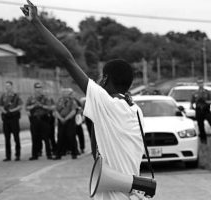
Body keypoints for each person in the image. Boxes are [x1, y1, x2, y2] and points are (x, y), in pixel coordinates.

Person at [21, 2, 145, 199]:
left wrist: (37, 22)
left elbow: (67, 60)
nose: (96, 81)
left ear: (105, 79)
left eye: (99, 77)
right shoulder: (135, 110)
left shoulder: (108, 104)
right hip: (132, 192)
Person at [26, 82, 54, 160]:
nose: (38, 89)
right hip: (34, 120)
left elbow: (49, 107)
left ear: (41, 89)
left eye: (39, 87)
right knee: (34, 138)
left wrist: (41, 105)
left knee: (46, 138)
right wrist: (33, 106)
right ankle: (34, 155)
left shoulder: (45, 98)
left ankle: (49, 154)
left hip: (44, 119)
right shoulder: (31, 98)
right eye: (36, 87)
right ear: (34, 89)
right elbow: (27, 107)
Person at [0, 81, 23, 161]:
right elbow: (0, 105)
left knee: (16, 137)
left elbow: (20, 106)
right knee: (7, 138)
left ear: (12, 87)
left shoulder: (16, 96)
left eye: (9, 86)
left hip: (14, 117)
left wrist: (12, 110)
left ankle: (17, 155)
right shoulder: (3, 96)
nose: (7, 87)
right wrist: (4, 111)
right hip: (6, 118)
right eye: (6, 86)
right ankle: (8, 156)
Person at [190, 78, 211, 144]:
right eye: (199, 83)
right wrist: (192, 106)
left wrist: (206, 101)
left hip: (206, 109)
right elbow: (192, 102)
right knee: (201, 126)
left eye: (201, 83)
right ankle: (203, 141)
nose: (200, 84)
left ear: (203, 83)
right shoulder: (195, 93)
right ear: (197, 84)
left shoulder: (207, 92)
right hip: (198, 110)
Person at [54, 88, 78, 160]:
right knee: (60, 137)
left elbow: (73, 111)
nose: (64, 93)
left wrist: (66, 118)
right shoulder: (59, 101)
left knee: (71, 137)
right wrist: (60, 118)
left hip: (69, 121)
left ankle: (74, 153)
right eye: (63, 92)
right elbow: (55, 111)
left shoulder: (72, 101)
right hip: (61, 120)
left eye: (66, 92)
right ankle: (58, 154)